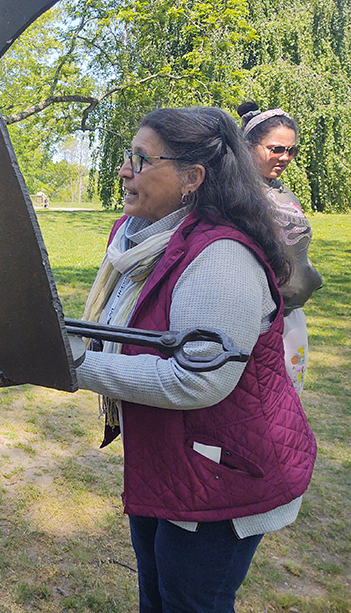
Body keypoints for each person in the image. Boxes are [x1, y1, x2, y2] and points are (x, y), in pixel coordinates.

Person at [75, 107, 316, 612]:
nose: (123, 170)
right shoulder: (142, 240)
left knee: (189, 602)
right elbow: (119, 331)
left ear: (192, 178)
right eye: (127, 155)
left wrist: (71, 365)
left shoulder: (220, 258)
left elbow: (196, 381)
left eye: (140, 160)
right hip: (177, 460)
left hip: (226, 473)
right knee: (159, 596)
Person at [237, 101, 323, 394]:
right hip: (257, 323)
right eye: (276, 149)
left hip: (292, 316)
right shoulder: (235, 193)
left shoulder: (283, 192)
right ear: (248, 146)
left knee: (289, 403)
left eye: (292, 150)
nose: (285, 157)